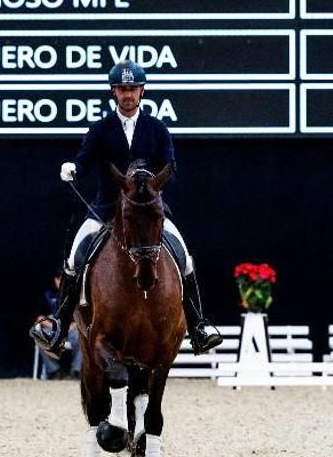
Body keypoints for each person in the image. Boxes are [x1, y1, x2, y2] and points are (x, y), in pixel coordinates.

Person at [29, 61, 223, 357]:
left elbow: (170, 164)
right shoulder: (101, 128)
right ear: (113, 92)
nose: (127, 94)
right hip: (106, 208)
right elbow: (85, 159)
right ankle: (59, 324)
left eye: (132, 89)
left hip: (146, 209)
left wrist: (150, 185)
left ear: (142, 91)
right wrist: (73, 169)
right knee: (74, 256)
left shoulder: (157, 128)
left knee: (184, 257)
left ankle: (198, 326)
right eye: (122, 89)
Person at [35, 272, 82, 378]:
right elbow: (39, 317)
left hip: (70, 328)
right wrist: (51, 325)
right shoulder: (47, 295)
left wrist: (73, 325)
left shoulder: (73, 296)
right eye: (59, 279)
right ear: (55, 280)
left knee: (81, 338)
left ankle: (76, 371)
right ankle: (54, 371)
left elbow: (80, 316)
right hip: (51, 327)